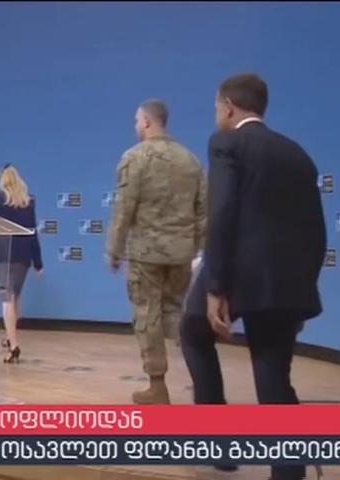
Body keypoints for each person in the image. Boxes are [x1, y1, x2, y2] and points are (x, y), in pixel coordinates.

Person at [181, 73, 327, 480]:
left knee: (193, 333)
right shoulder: (298, 155)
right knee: (272, 372)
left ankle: (219, 446)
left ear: (228, 107)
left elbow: (222, 213)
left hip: (235, 272)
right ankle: (289, 470)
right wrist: (302, 291)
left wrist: (215, 287)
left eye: (216, 106)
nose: (216, 114)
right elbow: (316, 232)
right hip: (287, 281)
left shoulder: (226, 142)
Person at [106, 99, 207, 405]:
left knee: (147, 314)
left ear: (148, 122)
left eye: (137, 120)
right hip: (182, 254)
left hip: (146, 255)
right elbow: (203, 212)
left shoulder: (135, 158)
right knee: (176, 313)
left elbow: (124, 210)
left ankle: (157, 386)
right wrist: (198, 249)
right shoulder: (190, 160)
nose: (136, 125)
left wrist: (114, 249)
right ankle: (204, 377)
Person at [0, 164, 43, 364]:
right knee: (15, 298)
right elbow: (33, 233)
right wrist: (38, 263)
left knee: (7, 300)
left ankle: (14, 345)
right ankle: (10, 336)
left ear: (2, 180)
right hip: (23, 257)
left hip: (3, 256)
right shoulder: (28, 202)